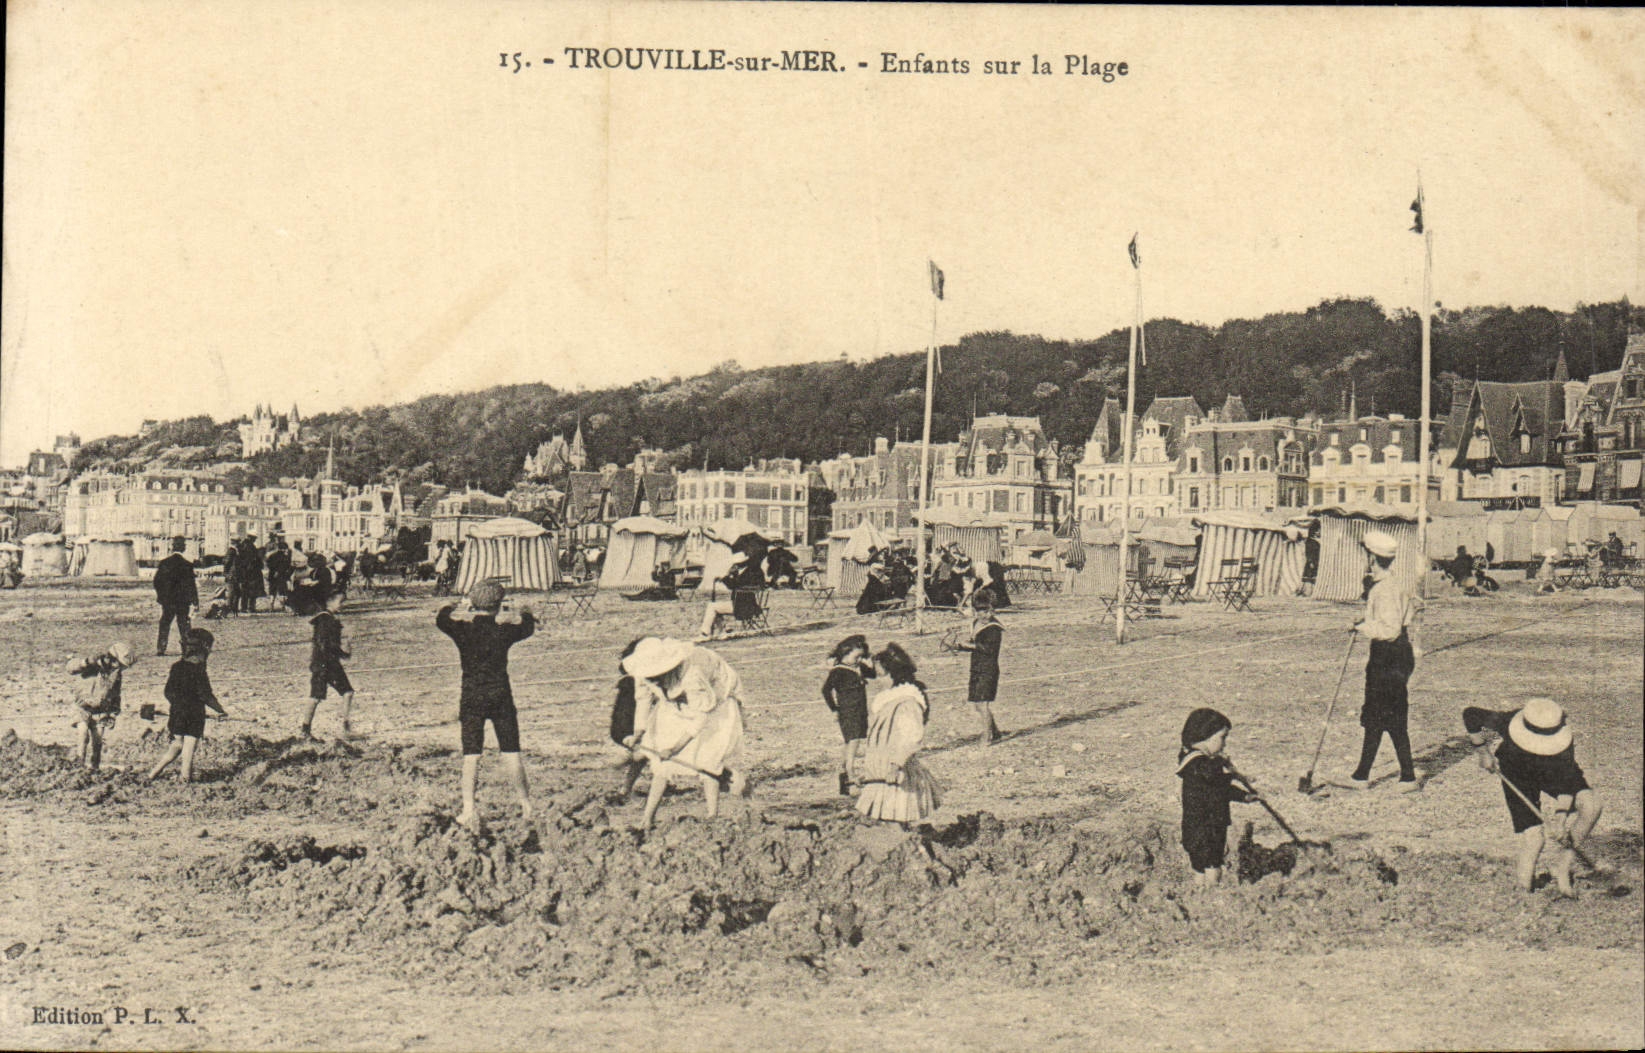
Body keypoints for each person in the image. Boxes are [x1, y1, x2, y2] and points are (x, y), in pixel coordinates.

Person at [1464, 698, 1604, 897]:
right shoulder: (1508, 721)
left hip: (1553, 772)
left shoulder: (1561, 739)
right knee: (1534, 839)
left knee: (1591, 805)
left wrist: (1560, 819)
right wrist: (1483, 752)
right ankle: (1523, 889)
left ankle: (1562, 867)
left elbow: (1566, 782)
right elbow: (1470, 714)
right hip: (1517, 773)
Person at [436, 580, 535, 830]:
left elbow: (441, 618)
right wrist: (523, 611)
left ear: (473, 604)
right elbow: (528, 627)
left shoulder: (462, 630)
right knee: (511, 752)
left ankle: (469, 809)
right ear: (499, 606)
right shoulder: (504, 631)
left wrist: (457, 605)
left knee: (471, 755)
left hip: (471, 695)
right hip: (501, 693)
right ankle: (526, 805)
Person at [623, 637, 747, 830]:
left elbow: (700, 718)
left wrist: (675, 748)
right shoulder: (643, 671)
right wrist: (638, 733)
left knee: (708, 757)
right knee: (661, 763)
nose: (652, 679)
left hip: (715, 699)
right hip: (676, 704)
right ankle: (647, 819)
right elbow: (643, 700)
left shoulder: (692, 674)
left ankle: (712, 816)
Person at [1349, 529, 1423, 791]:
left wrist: (1363, 628)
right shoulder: (1391, 585)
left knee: (1390, 716)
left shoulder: (1385, 590)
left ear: (1372, 558)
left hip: (1390, 655)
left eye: (1365, 555)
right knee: (1377, 715)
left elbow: (1390, 630)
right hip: (1392, 654)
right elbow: (1405, 615)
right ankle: (1361, 775)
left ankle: (1408, 777)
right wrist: (1367, 622)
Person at [853, 643, 941, 827]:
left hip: (896, 773)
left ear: (894, 674)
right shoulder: (888, 702)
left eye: (880, 675)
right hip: (881, 773)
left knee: (895, 819)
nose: (877, 680)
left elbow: (911, 737)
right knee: (881, 820)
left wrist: (896, 765)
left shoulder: (907, 703)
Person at [1176, 707, 1260, 886]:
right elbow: (1213, 777)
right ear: (1204, 736)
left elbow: (1221, 789)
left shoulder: (1198, 762)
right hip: (1205, 826)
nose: (1224, 744)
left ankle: (1202, 893)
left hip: (1206, 824)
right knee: (1211, 864)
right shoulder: (1196, 763)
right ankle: (1210, 894)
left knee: (1203, 864)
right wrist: (1229, 768)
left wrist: (1245, 796)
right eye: (1222, 738)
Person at [147, 629, 226, 783]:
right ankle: (185, 777)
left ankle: (153, 773)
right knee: (189, 747)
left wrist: (177, 705)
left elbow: (168, 691)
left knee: (177, 744)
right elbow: (205, 695)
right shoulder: (199, 670)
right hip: (194, 714)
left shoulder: (176, 667)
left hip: (176, 713)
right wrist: (220, 710)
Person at [68, 641, 136, 771]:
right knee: (83, 735)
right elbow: (71, 668)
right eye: (119, 664)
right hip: (83, 707)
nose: (119, 668)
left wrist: (114, 712)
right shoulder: (94, 664)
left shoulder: (115, 674)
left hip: (101, 710)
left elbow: (116, 693)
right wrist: (86, 662)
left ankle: (95, 767)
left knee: (97, 741)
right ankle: (79, 763)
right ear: (111, 658)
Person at [821, 634, 875, 796]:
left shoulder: (858, 668)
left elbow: (872, 674)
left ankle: (845, 777)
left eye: (861, 657)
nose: (859, 660)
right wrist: (834, 709)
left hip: (860, 710)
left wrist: (868, 662)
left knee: (852, 741)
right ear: (845, 654)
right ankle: (850, 775)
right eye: (856, 656)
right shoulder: (838, 671)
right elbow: (826, 690)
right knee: (853, 742)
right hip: (847, 710)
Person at [299, 589, 354, 740]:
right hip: (325, 664)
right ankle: (307, 729)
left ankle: (344, 727)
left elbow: (331, 647)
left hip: (326, 663)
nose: (342, 605)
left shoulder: (328, 620)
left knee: (342, 694)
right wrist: (341, 652)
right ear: (330, 601)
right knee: (322, 696)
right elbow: (325, 645)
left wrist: (346, 650)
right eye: (340, 602)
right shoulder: (325, 620)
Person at [956, 591, 1004, 746]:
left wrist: (968, 645)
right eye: (980, 611)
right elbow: (973, 645)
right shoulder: (976, 624)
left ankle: (987, 736)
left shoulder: (994, 629)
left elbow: (988, 649)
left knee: (982, 704)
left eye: (988, 611)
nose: (984, 615)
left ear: (992, 610)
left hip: (988, 669)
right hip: (976, 667)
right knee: (978, 704)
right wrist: (960, 647)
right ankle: (995, 732)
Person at [608, 638, 649, 800]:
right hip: (626, 728)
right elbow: (622, 717)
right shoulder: (632, 683)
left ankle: (626, 789)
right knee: (643, 753)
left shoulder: (632, 680)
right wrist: (632, 737)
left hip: (630, 727)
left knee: (643, 754)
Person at [696, 552, 762, 641]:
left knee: (712, 606)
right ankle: (723, 631)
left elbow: (733, 585)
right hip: (750, 605)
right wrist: (731, 575)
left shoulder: (745, 574)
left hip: (742, 607)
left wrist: (726, 576)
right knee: (715, 606)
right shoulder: (752, 571)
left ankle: (705, 633)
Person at [152, 536, 198, 656]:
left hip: (168, 601)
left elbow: (157, 582)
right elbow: (191, 585)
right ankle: (187, 648)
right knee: (184, 624)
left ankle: (161, 648)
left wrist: (161, 597)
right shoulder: (187, 565)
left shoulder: (164, 563)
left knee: (165, 623)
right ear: (183, 548)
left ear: (172, 547)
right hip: (183, 601)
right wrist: (195, 601)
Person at [266, 537, 292, 609]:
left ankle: (271, 606)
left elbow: (268, 564)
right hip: (281, 576)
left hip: (272, 575)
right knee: (282, 591)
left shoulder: (271, 556)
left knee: (272, 591)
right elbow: (286, 567)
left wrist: (273, 572)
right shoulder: (285, 557)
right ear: (283, 549)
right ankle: (283, 606)